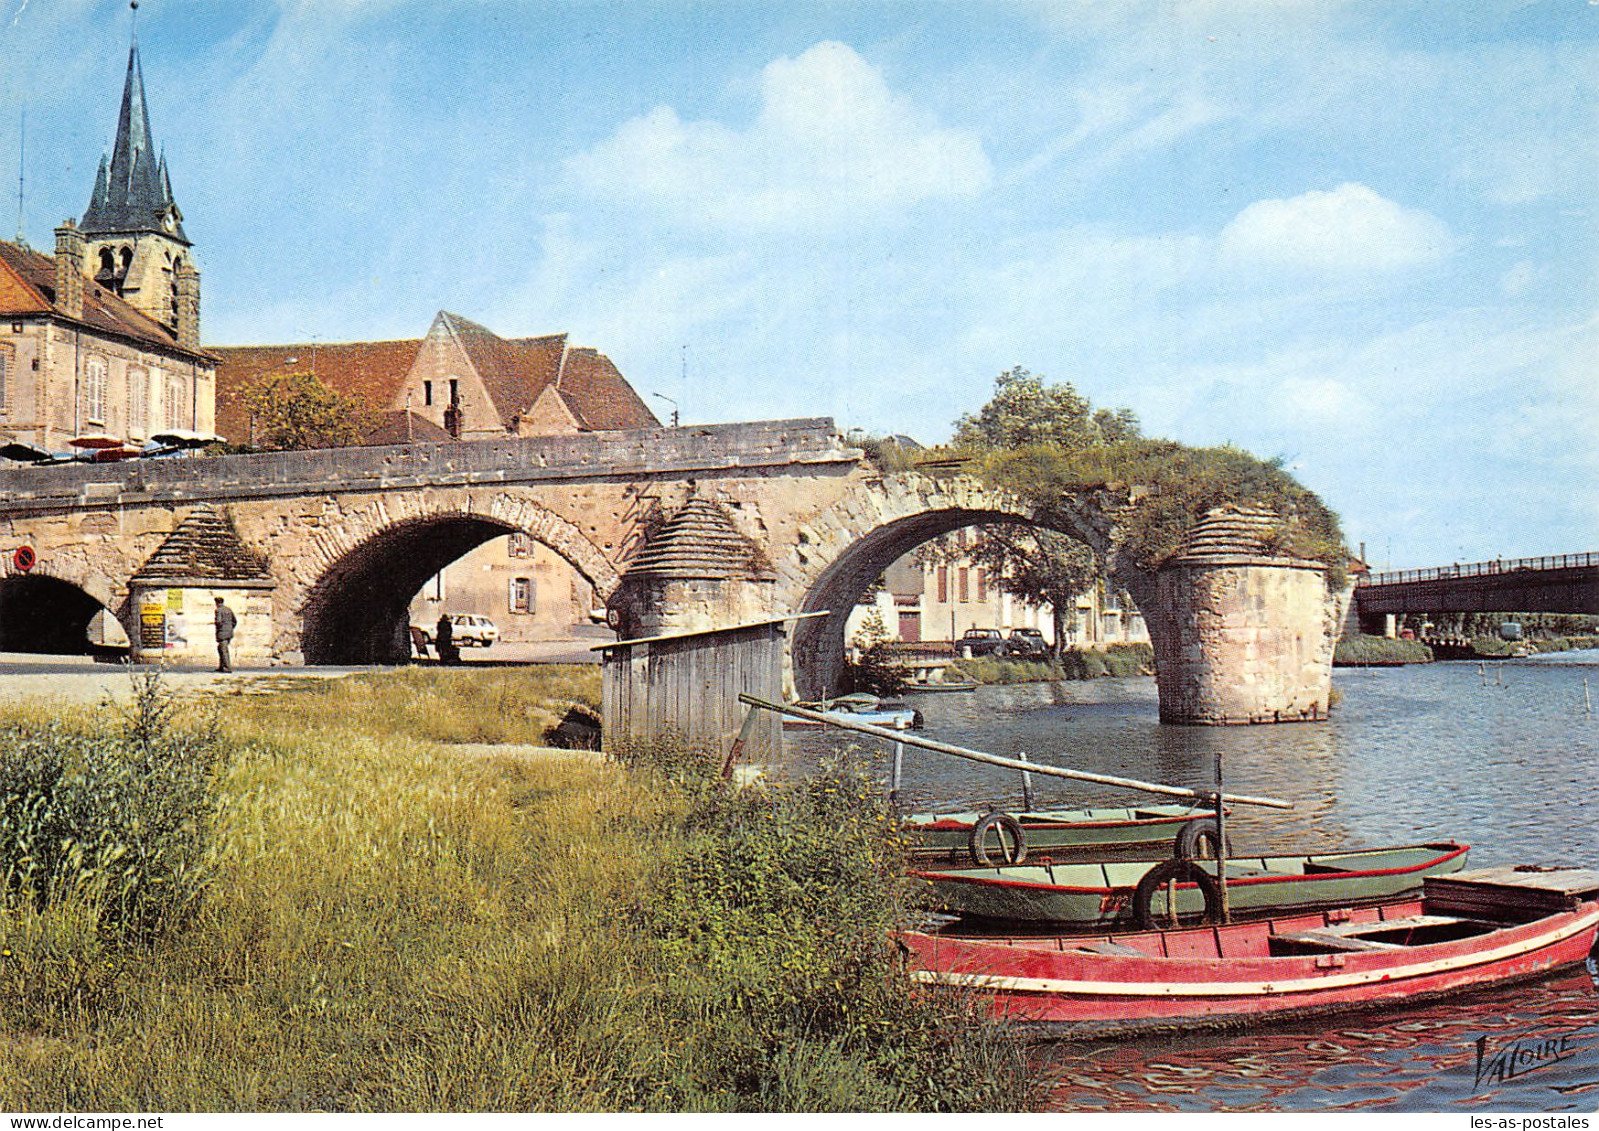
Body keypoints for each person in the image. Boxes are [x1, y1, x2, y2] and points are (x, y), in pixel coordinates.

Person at [214, 596, 236, 673]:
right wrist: (230, 628)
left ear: (216, 603)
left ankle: (227, 667)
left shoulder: (218, 610)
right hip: (229, 633)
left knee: (223, 650)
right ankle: (221, 666)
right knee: (220, 648)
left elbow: (219, 621)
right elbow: (234, 621)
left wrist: (217, 625)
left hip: (222, 633)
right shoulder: (228, 609)